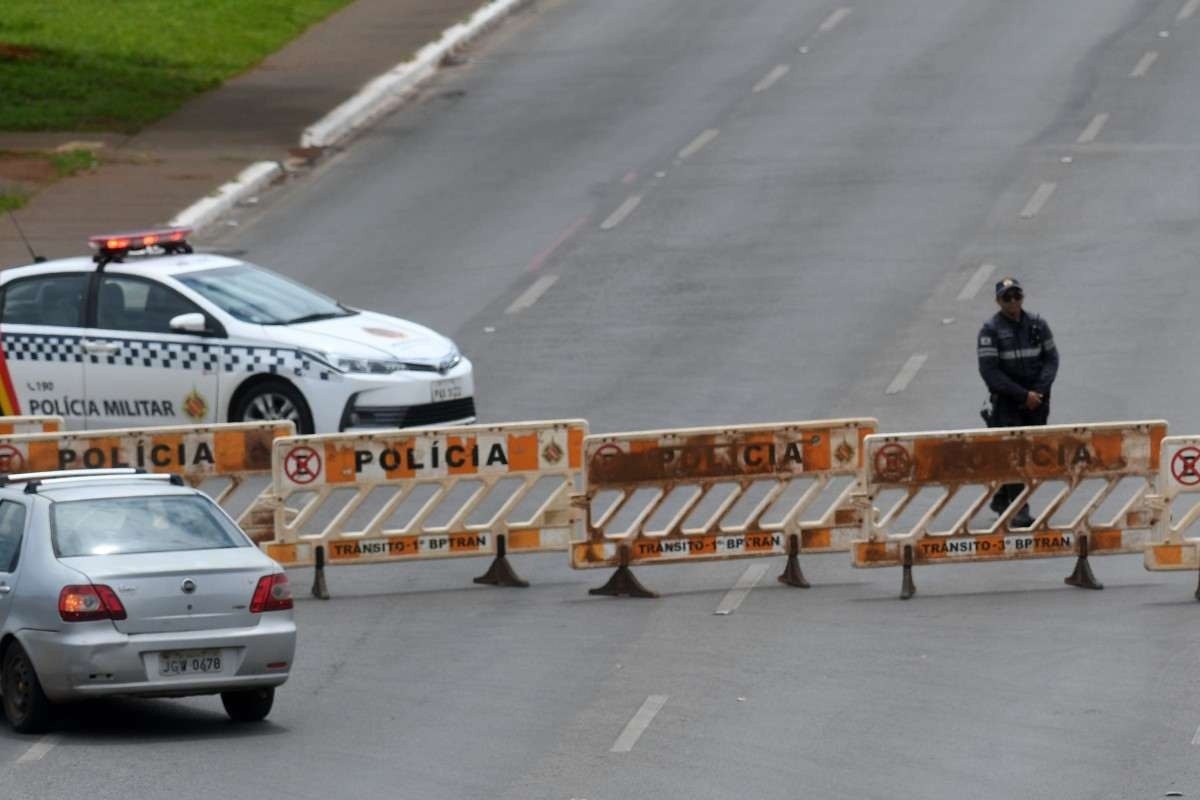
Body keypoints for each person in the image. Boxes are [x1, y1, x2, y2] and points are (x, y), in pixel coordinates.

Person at [977, 277, 1058, 528]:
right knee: (1014, 455)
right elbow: (990, 372)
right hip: (1008, 403)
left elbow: (1051, 359)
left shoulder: (1037, 325)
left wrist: (1039, 392)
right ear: (998, 301)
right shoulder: (990, 331)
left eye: (1016, 296)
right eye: (1006, 297)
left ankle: (1003, 497)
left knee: (1031, 455)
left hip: (1037, 402)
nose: (1012, 301)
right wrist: (1022, 395)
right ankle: (1020, 508)